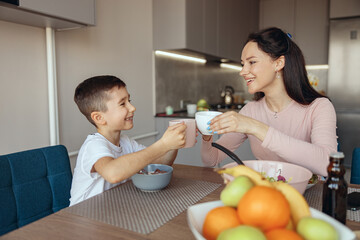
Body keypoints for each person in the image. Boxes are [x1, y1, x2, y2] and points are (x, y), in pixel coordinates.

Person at [201, 27, 337, 176]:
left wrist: (255, 127)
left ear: (278, 63)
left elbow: (327, 164)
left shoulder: (319, 107)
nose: (242, 71)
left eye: (252, 62)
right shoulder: (251, 110)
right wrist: (206, 137)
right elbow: (212, 159)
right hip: (266, 193)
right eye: (242, 64)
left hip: (309, 195)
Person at [70, 75, 186, 206]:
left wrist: (173, 143)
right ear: (99, 117)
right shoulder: (93, 145)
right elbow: (113, 173)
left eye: (129, 100)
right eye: (123, 103)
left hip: (112, 211)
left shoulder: (126, 142)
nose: (132, 108)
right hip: (83, 217)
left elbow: (161, 161)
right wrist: (163, 144)